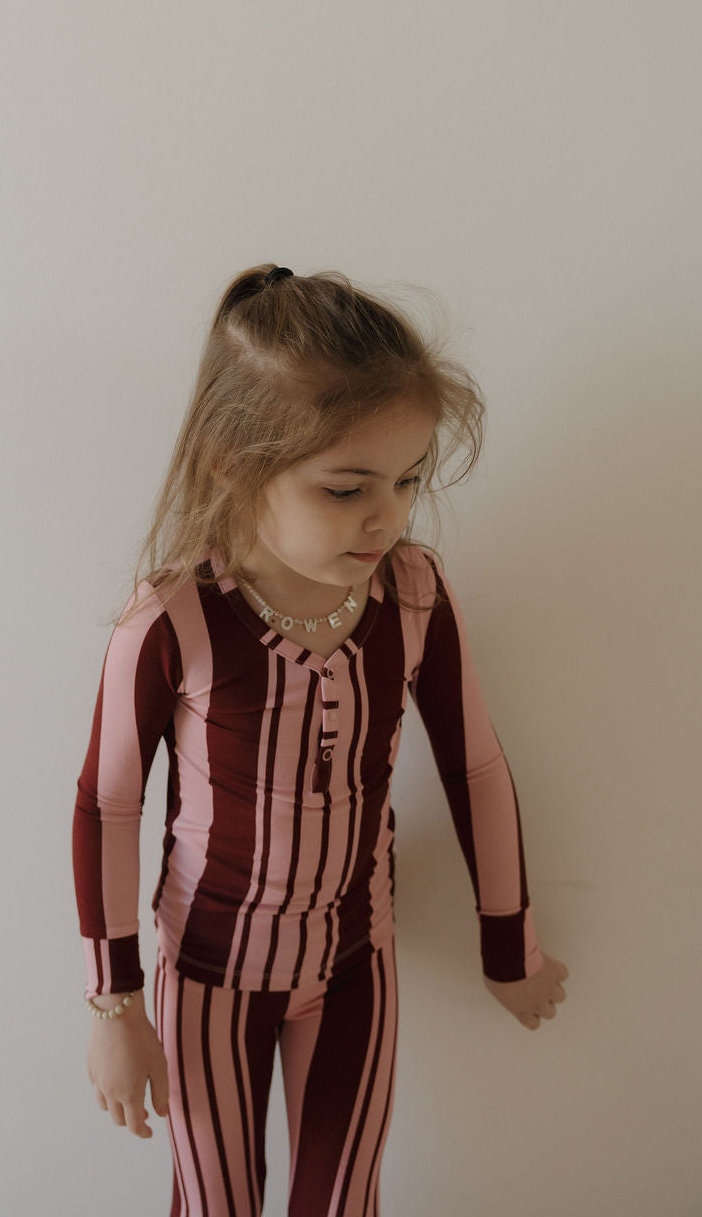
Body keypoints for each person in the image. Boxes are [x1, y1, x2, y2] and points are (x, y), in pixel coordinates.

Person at [72, 264, 568, 1217]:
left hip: (354, 970)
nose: (387, 515)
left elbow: (475, 766)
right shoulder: (173, 618)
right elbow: (107, 804)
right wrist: (114, 1006)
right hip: (210, 976)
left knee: (345, 1202)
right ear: (232, 461)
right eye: (345, 488)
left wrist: (511, 946)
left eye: (408, 480)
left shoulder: (412, 593)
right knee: (216, 1204)